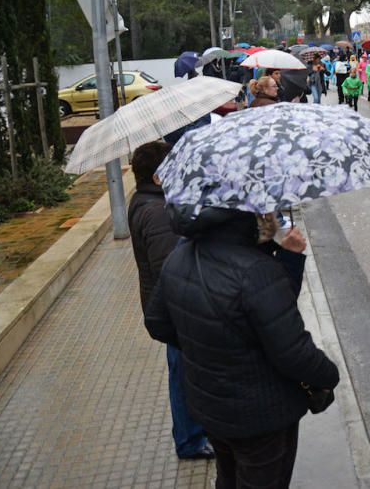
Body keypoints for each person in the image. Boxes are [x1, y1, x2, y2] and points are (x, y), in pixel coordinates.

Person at [145, 205, 339, 488]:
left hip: (210, 407)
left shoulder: (180, 257)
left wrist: (209, 348)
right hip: (261, 419)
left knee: (227, 477)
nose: (271, 214)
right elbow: (294, 353)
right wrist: (330, 375)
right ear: (247, 215)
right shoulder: (257, 271)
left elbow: (157, 323)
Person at [127, 141, 213, 460]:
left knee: (184, 369)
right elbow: (170, 267)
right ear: (157, 177)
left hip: (170, 307)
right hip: (178, 309)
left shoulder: (147, 201)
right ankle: (190, 440)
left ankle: (194, 432)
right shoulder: (157, 212)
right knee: (184, 372)